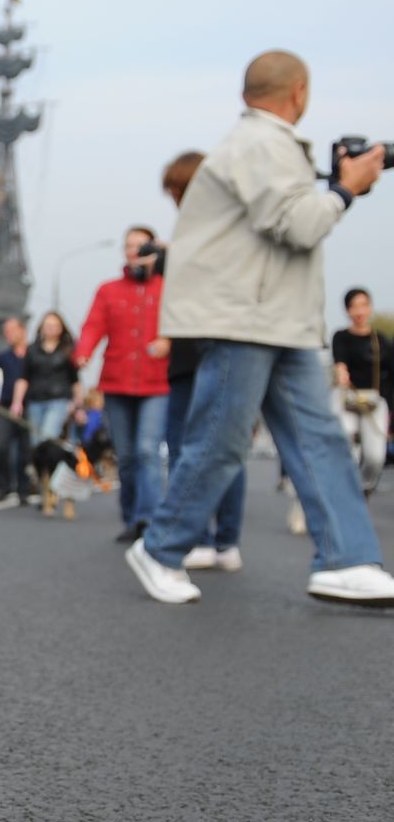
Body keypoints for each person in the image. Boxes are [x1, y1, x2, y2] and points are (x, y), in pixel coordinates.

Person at [129, 49, 394, 607]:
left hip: (278, 320)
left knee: (319, 439)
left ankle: (346, 559)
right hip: (246, 317)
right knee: (220, 441)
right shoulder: (261, 142)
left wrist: (343, 187)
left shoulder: (261, 145)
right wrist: (346, 188)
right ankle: (160, 548)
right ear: (299, 91)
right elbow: (296, 224)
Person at [156, 151, 245, 573]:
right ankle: (216, 540)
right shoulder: (212, 230)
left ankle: (210, 540)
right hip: (203, 355)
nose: (174, 198)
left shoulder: (210, 233)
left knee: (204, 449)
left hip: (210, 353)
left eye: (177, 190)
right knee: (211, 448)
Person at [75, 226, 169, 542]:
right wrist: (83, 353)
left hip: (157, 384)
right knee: (126, 456)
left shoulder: (167, 288)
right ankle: (131, 517)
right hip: (116, 383)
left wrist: (169, 340)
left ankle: (148, 519)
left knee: (147, 451)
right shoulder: (109, 290)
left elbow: (184, 319)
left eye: (141, 245)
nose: (134, 251)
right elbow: (93, 326)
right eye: (129, 245)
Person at [333, 287, 391, 495]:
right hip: (348, 398)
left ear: (370, 308)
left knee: (375, 456)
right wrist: (341, 373)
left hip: (375, 401)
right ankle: (345, 491)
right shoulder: (341, 337)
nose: (359, 311)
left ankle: (364, 489)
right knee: (347, 442)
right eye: (353, 306)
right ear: (347, 310)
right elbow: (339, 361)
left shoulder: (382, 341)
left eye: (363, 305)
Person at [12, 311, 79, 473]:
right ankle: (42, 478)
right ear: (41, 327)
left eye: (55, 325)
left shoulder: (67, 350)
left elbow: (75, 380)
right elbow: (23, 378)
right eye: (48, 325)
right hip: (35, 401)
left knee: (47, 439)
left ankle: (50, 478)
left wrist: (76, 403)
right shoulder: (32, 350)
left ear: (61, 328)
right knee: (36, 444)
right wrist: (17, 402)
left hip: (58, 401)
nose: (51, 328)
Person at [0, 317, 30, 502]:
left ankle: (23, 488)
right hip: (6, 406)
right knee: (0, 445)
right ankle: (3, 485)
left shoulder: (32, 353)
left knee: (25, 450)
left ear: (22, 330)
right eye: (6, 331)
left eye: (12, 330)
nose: (8, 334)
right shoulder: (4, 356)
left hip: (28, 406)